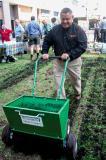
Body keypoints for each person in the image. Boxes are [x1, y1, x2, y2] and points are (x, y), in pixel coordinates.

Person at [42, 8, 87, 100]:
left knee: (75, 79)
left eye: (67, 19)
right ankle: (61, 100)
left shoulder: (78, 30)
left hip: (73, 60)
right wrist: (45, 52)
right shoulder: (55, 30)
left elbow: (83, 46)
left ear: (72, 18)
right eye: (63, 19)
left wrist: (69, 54)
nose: (65, 21)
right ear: (60, 18)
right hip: (58, 60)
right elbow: (47, 41)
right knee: (58, 82)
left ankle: (77, 92)